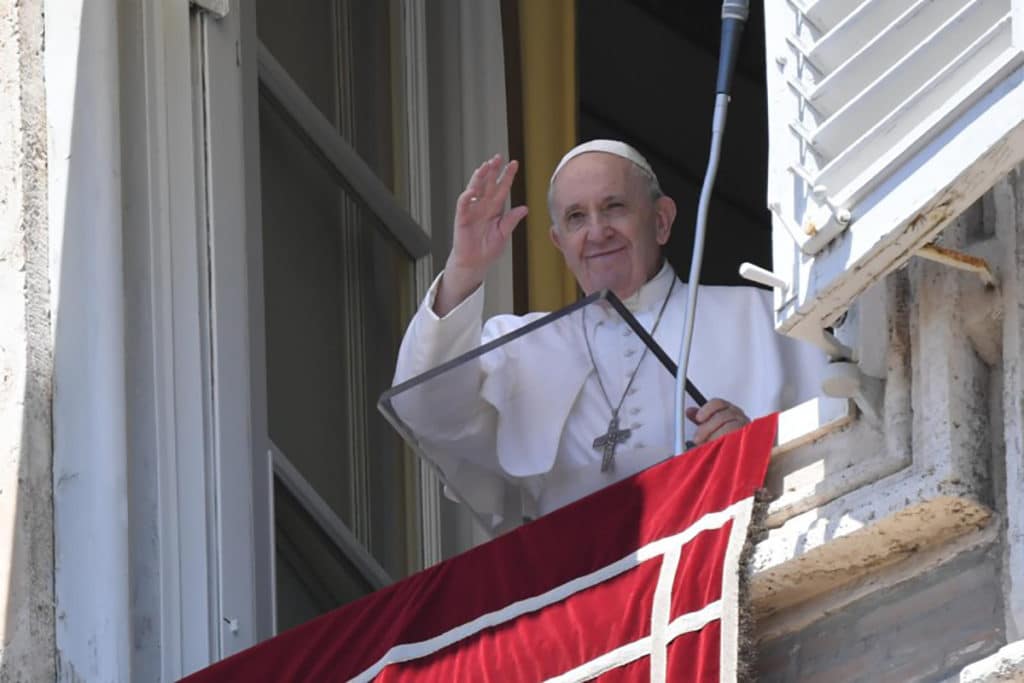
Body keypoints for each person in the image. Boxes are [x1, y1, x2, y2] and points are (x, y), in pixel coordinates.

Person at [393, 140, 824, 522]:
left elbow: (838, 443)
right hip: (583, 576)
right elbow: (425, 410)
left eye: (614, 207)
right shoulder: (525, 345)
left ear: (661, 220)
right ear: (559, 242)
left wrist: (759, 449)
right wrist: (465, 268)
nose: (597, 232)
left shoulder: (761, 316)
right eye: (576, 217)